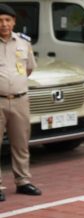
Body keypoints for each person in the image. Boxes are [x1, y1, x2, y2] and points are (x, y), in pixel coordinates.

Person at [0, 4, 40, 202]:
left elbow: (29, 68)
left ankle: (23, 181)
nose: (4, 24)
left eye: (7, 20)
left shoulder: (24, 43)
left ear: (14, 22)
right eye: (0, 20)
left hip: (20, 99)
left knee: (21, 143)